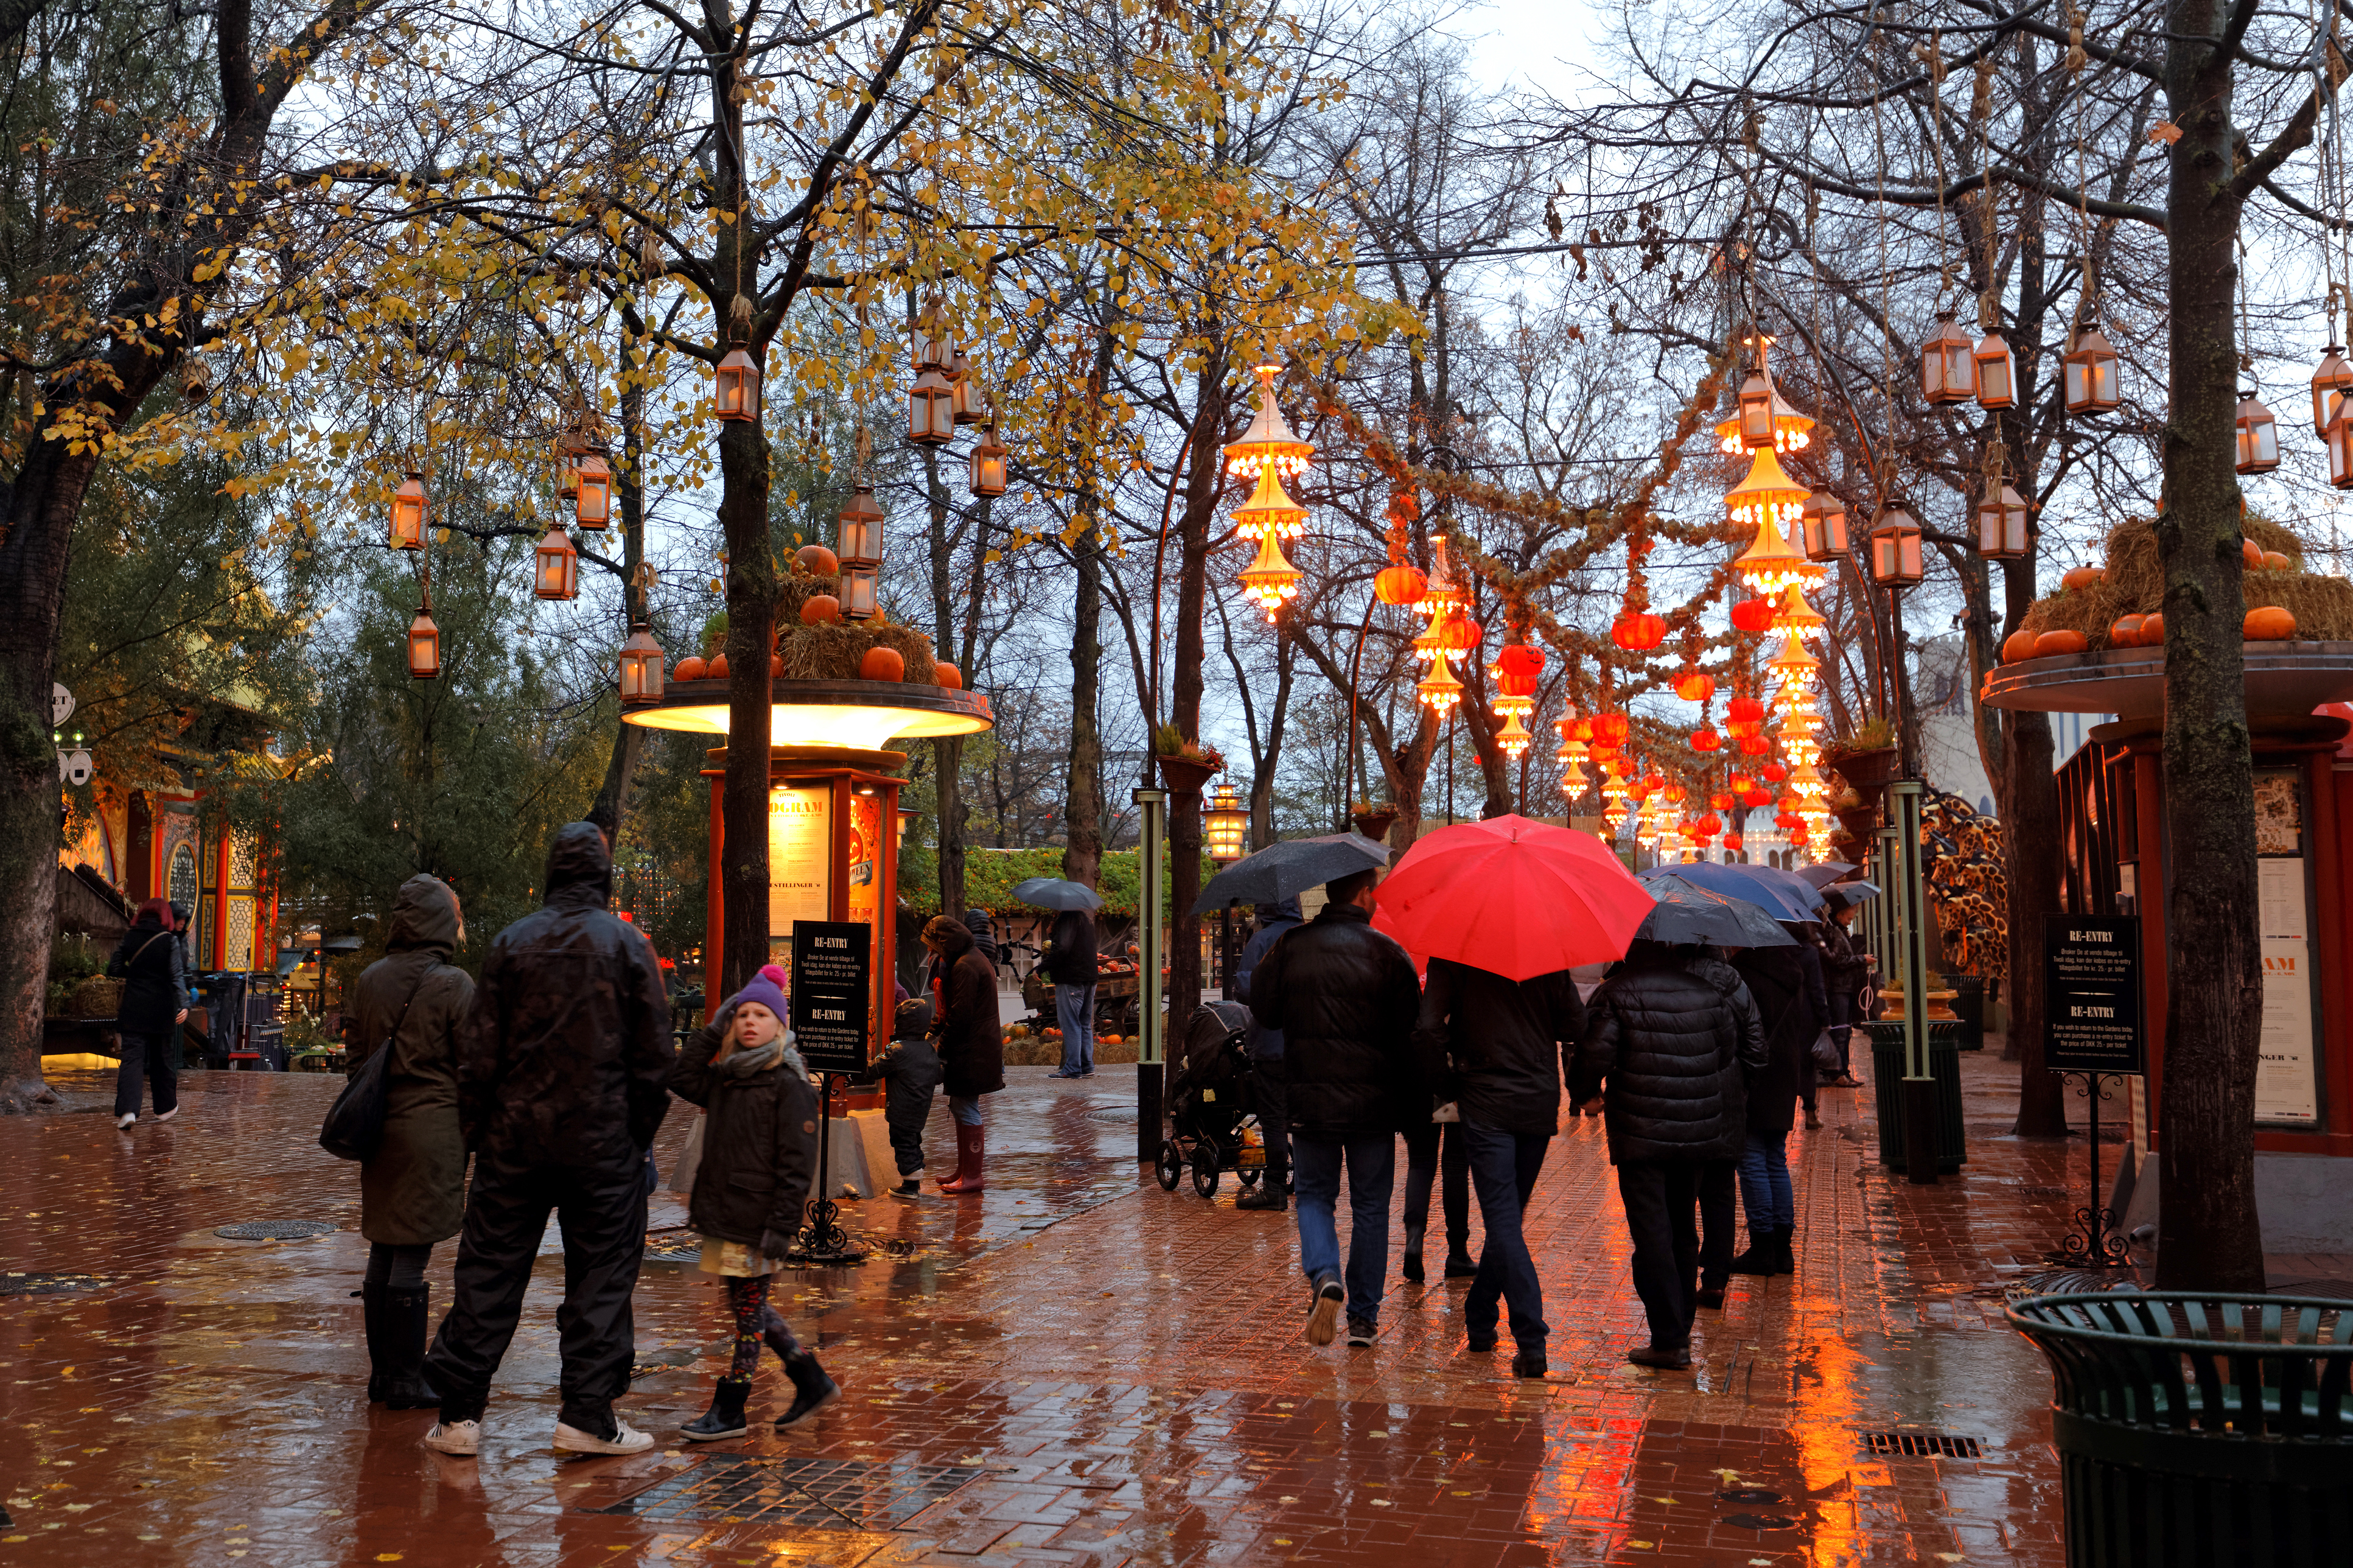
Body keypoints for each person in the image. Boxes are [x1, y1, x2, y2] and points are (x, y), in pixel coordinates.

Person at [420, 822, 674, 1458]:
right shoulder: (627, 945)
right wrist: (635, 1133)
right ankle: (587, 1412)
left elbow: (478, 1053)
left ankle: (458, 1415)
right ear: (603, 873)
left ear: (553, 871)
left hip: (515, 1138)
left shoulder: (512, 942)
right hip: (603, 1144)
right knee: (602, 1277)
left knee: (489, 1271)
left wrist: (477, 1132)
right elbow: (654, 1056)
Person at [1244, 868, 1422, 1349]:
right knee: (1369, 1206)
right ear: (1364, 894)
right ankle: (1363, 1319)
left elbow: (1264, 1011)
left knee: (1317, 1196)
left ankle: (1325, 1273)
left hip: (1310, 1098)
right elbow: (1411, 1033)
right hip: (1373, 1106)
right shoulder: (1388, 953)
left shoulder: (1291, 947)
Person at [1571, 939, 1764, 1370]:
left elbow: (1594, 1052)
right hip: (1697, 1129)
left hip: (1641, 1134)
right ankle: (1680, 1325)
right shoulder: (1708, 992)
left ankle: (1669, 1337)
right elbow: (1728, 1053)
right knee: (1681, 1227)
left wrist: (1586, 1094)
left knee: (1652, 1233)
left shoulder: (1617, 992)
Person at [665, 970, 839, 1439]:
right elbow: (681, 1077)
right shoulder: (726, 1077)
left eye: (761, 1014)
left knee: (748, 1312)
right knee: (745, 1304)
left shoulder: (790, 1082)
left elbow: (796, 1164)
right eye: (741, 1014)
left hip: (759, 1217)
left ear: (780, 1026)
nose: (749, 1022)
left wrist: (783, 1225)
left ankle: (733, 1408)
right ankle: (810, 1379)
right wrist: (711, 1029)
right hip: (727, 1214)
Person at [1413, 956, 1586, 1379]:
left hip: (1486, 1097)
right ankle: (1480, 1313)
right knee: (1507, 1217)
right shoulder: (1546, 953)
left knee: (1504, 1222)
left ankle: (1531, 1338)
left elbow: (1428, 1028)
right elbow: (1575, 1025)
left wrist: (1449, 1082)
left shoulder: (1455, 950)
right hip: (1537, 1096)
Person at [346, 875, 474, 1409]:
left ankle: (383, 1376)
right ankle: (404, 1379)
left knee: (384, 1244)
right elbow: (475, 1068)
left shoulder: (370, 980)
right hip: (432, 1135)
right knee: (412, 1255)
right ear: (442, 920)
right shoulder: (455, 985)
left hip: (380, 1135)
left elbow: (354, 1060)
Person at [1728, 926, 1827, 1278]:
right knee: (1774, 1157)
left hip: (1755, 1070)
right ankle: (1783, 1251)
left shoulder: (1741, 975)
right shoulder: (1791, 968)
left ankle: (1763, 1249)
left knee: (1751, 1158)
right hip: (1786, 1067)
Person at [924, 914, 1004, 1194]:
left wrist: (941, 1048)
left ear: (947, 943)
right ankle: (964, 1171)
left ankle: (972, 1176)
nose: (931, 952)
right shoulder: (967, 959)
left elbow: (960, 1015)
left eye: (934, 946)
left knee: (967, 1108)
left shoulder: (966, 966)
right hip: (974, 1048)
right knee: (961, 1106)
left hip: (974, 1050)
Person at [1232, 897, 1303, 1213]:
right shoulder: (1307, 937)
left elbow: (1245, 990)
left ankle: (1274, 1188)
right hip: (1306, 1045)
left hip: (1272, 1045)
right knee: (1303, 1117)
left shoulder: (1261, 941)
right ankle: (1305, 1181)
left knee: (1274, 1118)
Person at [107, 898, 189, 1129]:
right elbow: (176, 976)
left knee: (131, 1059)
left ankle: (129, 1111)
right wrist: (184, 1004)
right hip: (161, 1008)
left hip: (133, 1006)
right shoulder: (169, 941)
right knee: (162, 1058)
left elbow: (113, 968)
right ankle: (165, 1108)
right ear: (166, 917)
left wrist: (135, 973)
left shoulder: (130, 937)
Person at [856, 996, 942, 1198]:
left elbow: (874, 1070)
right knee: (913, 1141)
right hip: (920, 1108)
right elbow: (938, 1076)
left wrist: (856, 1064)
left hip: (901, 1109)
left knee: (903, 1143)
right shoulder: (928, 1049)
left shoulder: (898, 1050)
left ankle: (910, 1186)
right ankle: (915, 1177)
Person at [1818, 892, 1871, 1087]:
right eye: (1849, 917)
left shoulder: (1838, 932)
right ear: (1840, 914)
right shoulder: (1835, 933)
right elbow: (1836, 960)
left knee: (1844, 1031)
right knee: (1841, 1031)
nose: (1851, 921)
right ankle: (1839, 1073)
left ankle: (1843, 1072)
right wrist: (1861, 959)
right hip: (1839, 990)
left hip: (1843, 989)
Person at [1043, 905, 1099, 1079]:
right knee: (1083, 1023)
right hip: (1090, 977)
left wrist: (1043, 967)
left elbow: (1063, 948)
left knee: (1070, 1023)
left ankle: (1073, 1068)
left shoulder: (1068, 919)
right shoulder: (1086, 920)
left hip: (1071, 978)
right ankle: (1087, 1066)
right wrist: (1053, 933)